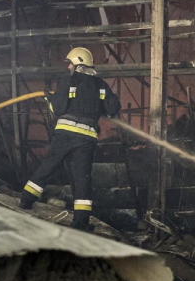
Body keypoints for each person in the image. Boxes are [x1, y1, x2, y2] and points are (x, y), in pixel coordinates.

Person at [19, 47, 120, 231]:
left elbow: (58, 109)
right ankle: (81, 222)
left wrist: (50, 99)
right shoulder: (101, 85)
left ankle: (25, 202)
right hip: (86, 140)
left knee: (47, 168)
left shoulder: (69, 81)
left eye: (71, 64)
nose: (69, 68)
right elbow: (113, 109)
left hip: (65, 136)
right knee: (82, 180)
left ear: (78, 64)